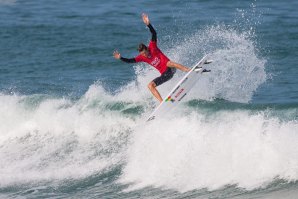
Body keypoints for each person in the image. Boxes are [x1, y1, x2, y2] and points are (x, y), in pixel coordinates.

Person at [113, 13, 190, 103]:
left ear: (147, 48)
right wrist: (121, 58)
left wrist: (148, 24)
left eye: (145, 53)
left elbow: (154, 33)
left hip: (171, 69)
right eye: (142, 54)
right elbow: (131, 61)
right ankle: (162, 103)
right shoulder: (142, 57)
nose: (144, 55)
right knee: (150, 86)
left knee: (169, 63)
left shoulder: (152, 46)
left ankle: (189, 70)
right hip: (165, 75)